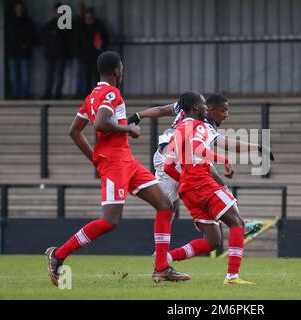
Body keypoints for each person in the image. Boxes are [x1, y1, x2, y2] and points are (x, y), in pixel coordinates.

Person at [44, 51, 190, 286]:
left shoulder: (92, 96)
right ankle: (58, 255)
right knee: (110, 221)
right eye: (121, 68)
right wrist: (128, 130)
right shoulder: (111, 92)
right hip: (115, 164)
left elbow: (75, 130)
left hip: (126, 162)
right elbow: (101, 123)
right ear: (116, 70)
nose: (122, 72)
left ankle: (161, 268)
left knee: (165, 205)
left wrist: (95, 158)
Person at [128, 94, 271, 237]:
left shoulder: (195, 116)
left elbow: (163, 110)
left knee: (170, 207)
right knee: (169, 206)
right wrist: (256, 147)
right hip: (173, 159)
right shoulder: (198, 121)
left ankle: (232, 221)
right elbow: (224, 144)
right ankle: (234, 222)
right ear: (209, 109)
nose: (226, 115)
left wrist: (138, 116)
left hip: (176, 158)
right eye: (223, 110)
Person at [163, 91, 253, 285]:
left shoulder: (177, 130)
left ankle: (166, 259)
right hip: (201, 182)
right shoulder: (200, 126)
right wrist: (225, 159)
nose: (206, 108)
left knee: (212, 240)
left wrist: (185, 181)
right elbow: (198, 148)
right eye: (204, 104)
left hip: (188, 190)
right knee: (237, 223)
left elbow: (167, 166)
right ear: (196, 107)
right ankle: (232, 277)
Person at [6, 1, 37, 99]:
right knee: (14, 77)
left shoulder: (28, 22)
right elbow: (8, 38)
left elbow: (32, 37)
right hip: (13, 54)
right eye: (17, 8)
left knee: (25, 77)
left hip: (25, 54)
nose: (19, 10)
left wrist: (25, 45)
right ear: (15, 10)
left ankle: (24, 95)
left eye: (21, 8)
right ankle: (15, 94)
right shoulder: (10, 22)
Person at [40, 2, 72, 99]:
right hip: (51, 54)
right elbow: (43, 38)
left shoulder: (67, 25)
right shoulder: (50, 24)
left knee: (59, 75)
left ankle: (58, 94)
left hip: (61, 54)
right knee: (50, 75)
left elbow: (69, 40)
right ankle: (48, 93)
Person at [78, 7, 109, 95]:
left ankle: (96, 94)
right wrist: (78, 53)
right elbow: (76, 41)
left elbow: (105, 38)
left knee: (96, 76)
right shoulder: (81, 26)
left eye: (90, 17)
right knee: (85, 75)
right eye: (87, 17)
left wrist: (102, 49)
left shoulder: (99, 26)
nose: (89, 19)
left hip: (96, 55)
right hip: (84, 55)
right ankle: (86, 94)